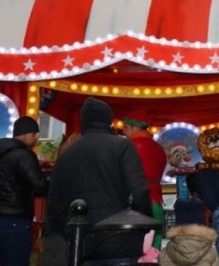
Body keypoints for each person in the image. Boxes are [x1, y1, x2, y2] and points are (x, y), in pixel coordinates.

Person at [44, 97, 152, 265]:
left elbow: (55, 205)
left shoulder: (65, 155)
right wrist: (144, 225)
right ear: (109, 120)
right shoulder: (122, 146)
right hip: (121, 240)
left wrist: (68, 234)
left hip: (82, 242)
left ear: (83, 122)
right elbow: (139, 191)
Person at [0, 116, 49, 266]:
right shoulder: (24, 155)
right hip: (16, 220)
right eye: (34, 134)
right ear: (25, 134)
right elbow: (39, 186)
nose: (36, 138)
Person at [122, 109, 167, 257]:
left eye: (126, 127)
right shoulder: (159, 149)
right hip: (157, 201)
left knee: (135, 246)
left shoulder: (128, 147)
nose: (124, 131)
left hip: (136, 201)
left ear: (134, 127)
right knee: (155, 244)